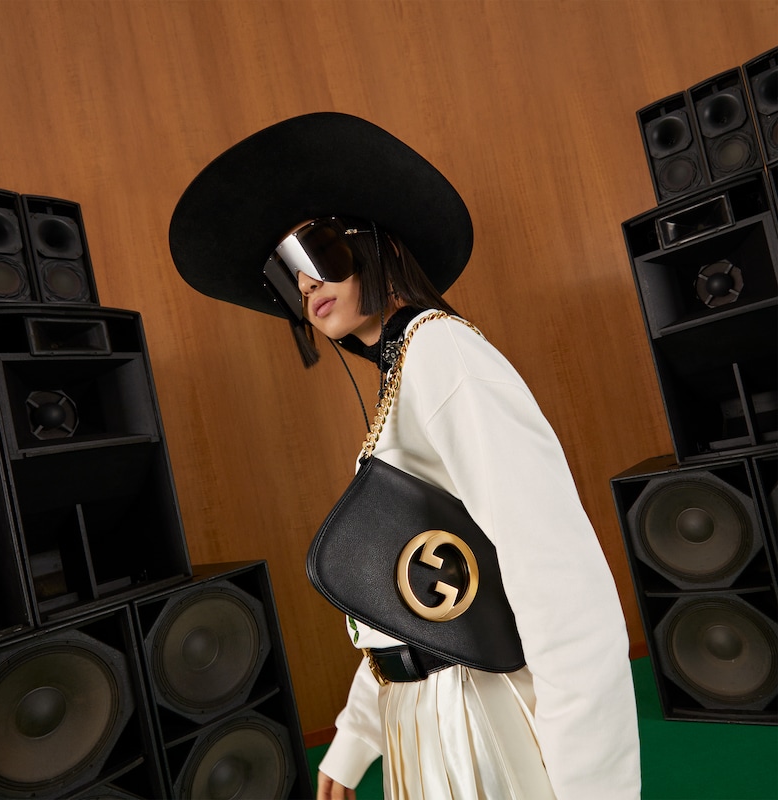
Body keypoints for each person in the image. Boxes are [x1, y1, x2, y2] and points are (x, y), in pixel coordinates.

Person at [170, 112, 641, 800]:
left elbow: (557, 574)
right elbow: (406, 593)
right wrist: (357, 737)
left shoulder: (443, 353)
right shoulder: (409, 369)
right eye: (285, 273)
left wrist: (594, 789)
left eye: (315, 253)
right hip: (422, 719)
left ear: (378, 243)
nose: (305, 285)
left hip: (474, 713)